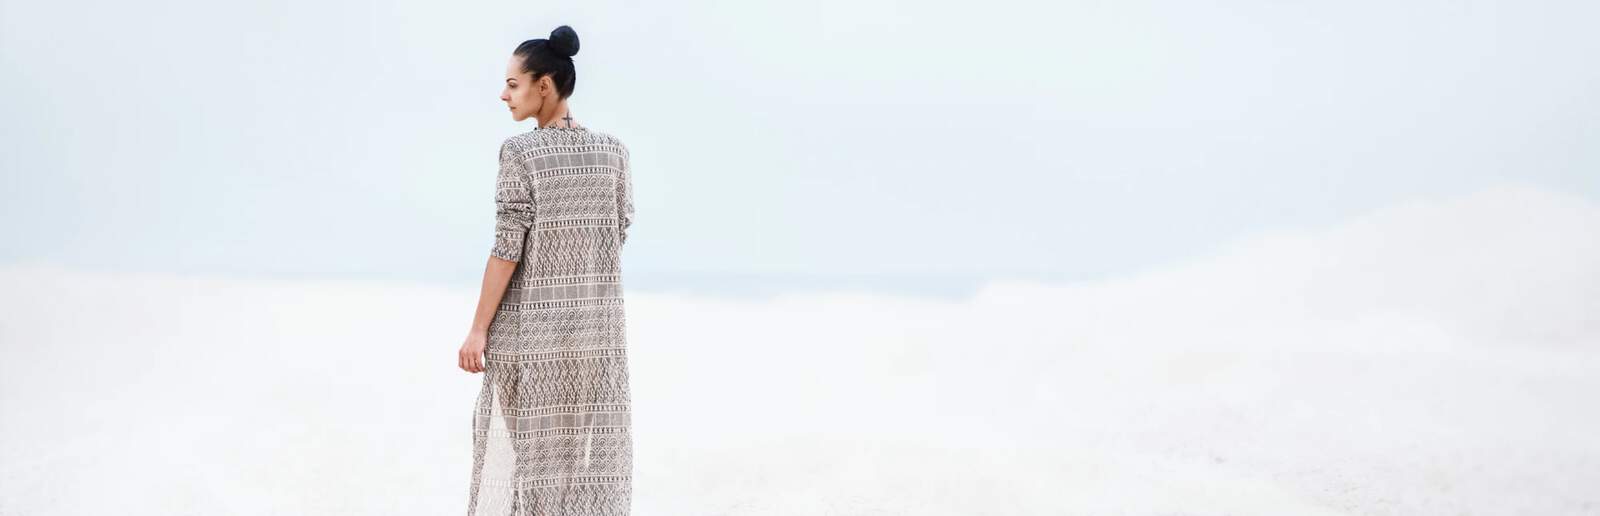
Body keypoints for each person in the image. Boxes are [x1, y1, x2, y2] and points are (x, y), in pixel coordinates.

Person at [458, 25, 635, 516]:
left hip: (529, 335)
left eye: (513, 84)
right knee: (577, 462)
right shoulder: (614, 153)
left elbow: (506, 249)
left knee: (532, 463)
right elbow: (618, 231)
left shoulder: (520, 153)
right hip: (593, 337)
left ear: (544, 85)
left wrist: (478, 330)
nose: (504, 94)